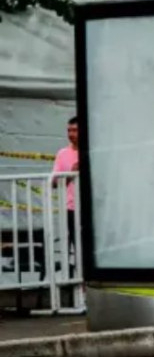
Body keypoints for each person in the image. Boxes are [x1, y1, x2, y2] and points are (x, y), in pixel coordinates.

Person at [52, 117, 79, 274]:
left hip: (93, 208)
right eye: (69, 130)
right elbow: (53, 183)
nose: (71, 134)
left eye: (75, 130)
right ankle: (78, 289)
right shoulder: (63, 154)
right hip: (72, 209)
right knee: (76, 247)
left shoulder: (93, 151)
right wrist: (71, 174)